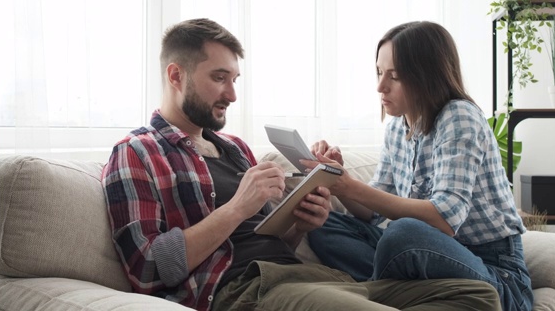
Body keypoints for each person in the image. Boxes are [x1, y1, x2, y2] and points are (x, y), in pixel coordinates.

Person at [101, 18, 502, 311]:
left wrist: (299, 224)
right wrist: (237, 207)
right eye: (219, 78)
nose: (232, 94)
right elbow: (150, 268)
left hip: (308, 277)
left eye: (235, 79)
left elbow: (273, 241)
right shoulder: (138, 153)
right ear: (176, 75)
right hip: (246, 288)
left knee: (478, 295)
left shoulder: (235, 149)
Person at [304, 21, 532, 311]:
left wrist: (352, 187)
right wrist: (338, 180)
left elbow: (444, 220)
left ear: (427, 76)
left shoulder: (458, 116)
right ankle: (398, 291)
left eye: (394, 76)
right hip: (430, 264)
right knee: (320, 220)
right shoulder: (397, 128)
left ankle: (375, 292)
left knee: (403, 234)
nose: (380, 87)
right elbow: (373, 212)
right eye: (378, 72)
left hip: (493, 272)